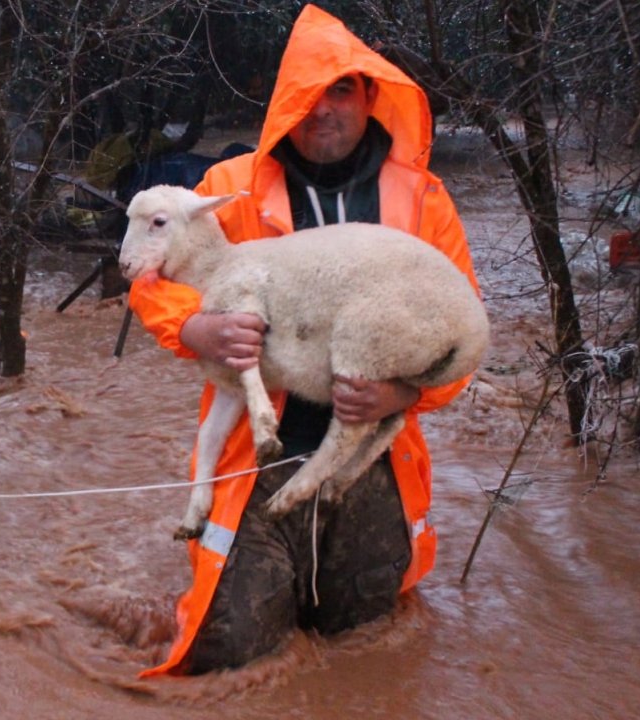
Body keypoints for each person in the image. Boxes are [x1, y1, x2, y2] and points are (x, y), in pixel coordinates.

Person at [129, 4, 481, 676]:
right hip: (252, 457)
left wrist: (401, 392)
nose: (324, 111)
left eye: (341, 91)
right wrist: (198, 326)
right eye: (309, 95)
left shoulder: (422, 200)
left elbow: (462, 335)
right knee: (229, 654)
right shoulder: (228, 191)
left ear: (368, 96)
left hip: (370, 459)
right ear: (288, 103)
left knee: (364, 644)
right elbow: (149, 276)